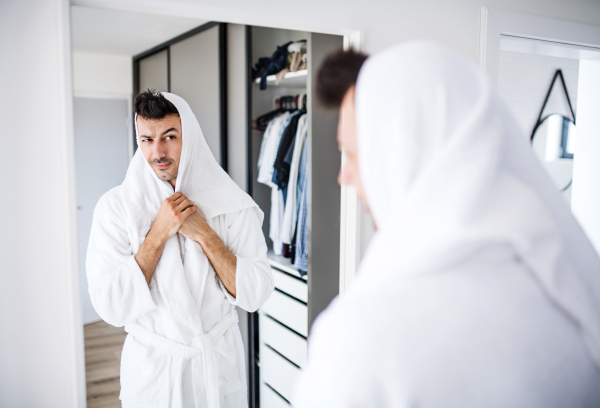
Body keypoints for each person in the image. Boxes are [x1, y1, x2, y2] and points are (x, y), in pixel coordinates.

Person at [293, 43, 600, 407]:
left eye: (355, 153)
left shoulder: (362, 338)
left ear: (400, 153)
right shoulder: (572, 283)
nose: (344, 175)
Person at [86, 90, 274, 408]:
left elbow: (255, 294)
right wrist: (158, 233)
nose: (157, 151)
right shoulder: (116, 209)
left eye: (169, 136)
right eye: (146, 139)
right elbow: (112, 306)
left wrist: (204, 234)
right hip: (155, 374)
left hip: (216, 369)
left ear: (191, 137)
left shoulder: (233, 205)